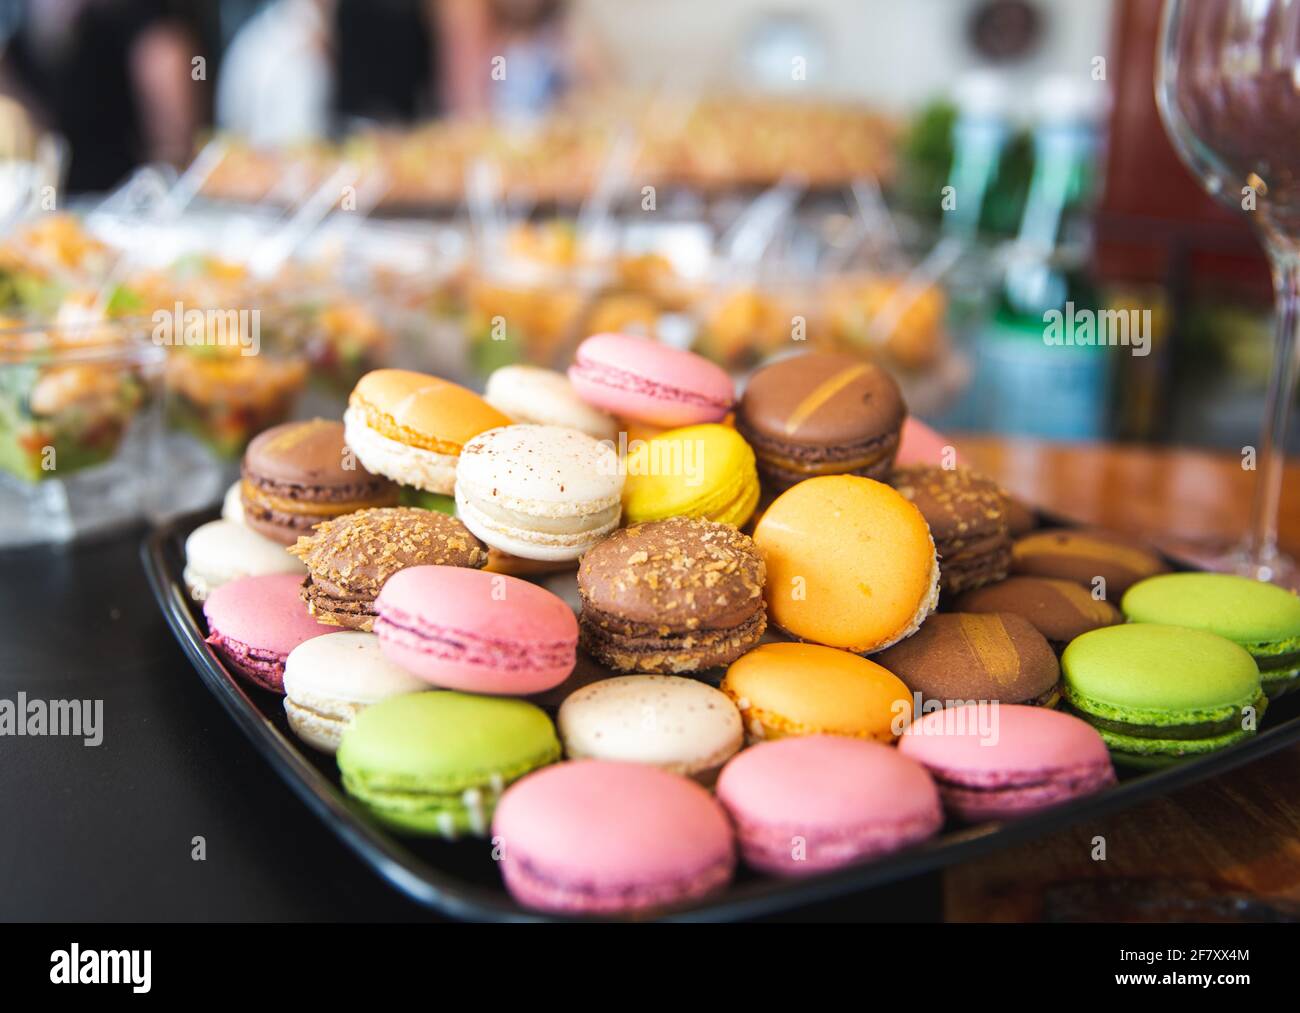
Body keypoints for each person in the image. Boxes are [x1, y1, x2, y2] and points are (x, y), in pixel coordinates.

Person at [0, 0, 206, 192]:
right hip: (58, 194)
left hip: (124, 193)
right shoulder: (19, 38)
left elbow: (175, 155)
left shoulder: (152, 36)